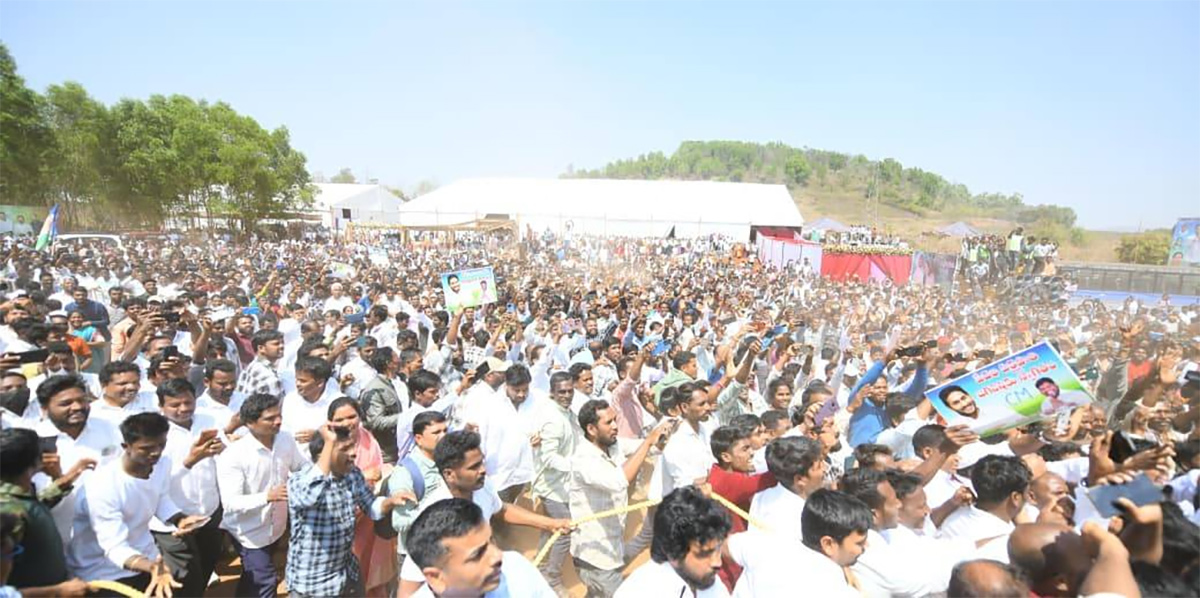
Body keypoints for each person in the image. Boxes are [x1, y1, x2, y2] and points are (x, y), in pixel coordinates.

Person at [397, 430, 571, 596]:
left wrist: (551, 524)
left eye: (481, 462)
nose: (483, 470)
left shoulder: (482, 486)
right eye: (473, 467)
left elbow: (501, 509)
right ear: (449, 474)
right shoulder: (433, 520)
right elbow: (410, 584)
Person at [66, 413, 207, 596]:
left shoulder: (162, 464)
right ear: (126, 447)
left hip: (147, 561)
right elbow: (114, 547)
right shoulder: (103, 487)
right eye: (146, 448)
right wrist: (151, 567)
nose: (156, 452)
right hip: (102, 571)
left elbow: (161, 498)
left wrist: (179, 519)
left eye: (161, 445)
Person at [285, 422, 412, 598]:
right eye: (344, 448)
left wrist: (390, 502)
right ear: (325, 453)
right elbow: (309, 496)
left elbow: (371, 507)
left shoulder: (352, 474)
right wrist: (329, 442)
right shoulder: (299, 481)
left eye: (352, 446)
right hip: (313, 582)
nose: (353, 453)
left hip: (347, 574)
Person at [569, 400, 673, 597]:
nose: (616, 426)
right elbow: (619, 481)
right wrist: (649, 440)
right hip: (595, 556)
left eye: (615, 420)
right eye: (609, 422)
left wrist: (663, 436)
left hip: (612, 548)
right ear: (591, 429)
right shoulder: (583, 459)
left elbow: (648, 449)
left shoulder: (613, 444)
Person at [216, 393, 307, 598]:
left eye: (279, 416)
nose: (278, 421)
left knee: (254, 578)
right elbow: (230, 503)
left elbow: (301, 466)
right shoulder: (233, 455)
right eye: (270, 418)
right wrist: (267, 496)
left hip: (276, 526)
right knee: (265, 579)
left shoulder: (285, 440)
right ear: (250, 423)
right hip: (249, 533)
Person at [153, 378, 225, 597]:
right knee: (183, 576)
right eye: (175, 405)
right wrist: (190, 461)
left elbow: (224, 456)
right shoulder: (154, 434)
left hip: (210, 511)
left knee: (207, 564)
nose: (183, 409)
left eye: (188, 402)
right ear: (161, 407)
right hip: (173, 521)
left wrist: (223, 448)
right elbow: (154, 483)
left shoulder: (208, 419)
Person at [0, 428, 91, 596]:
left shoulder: (17, 498)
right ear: (36, 462)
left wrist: (64, 481)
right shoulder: (9, 511)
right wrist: (57, 591)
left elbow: (34, 507)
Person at [405, 498, 555, 597]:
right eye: (478, 554)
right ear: (436, 578)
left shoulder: (516, 569)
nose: (497, 556)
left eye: (491, 541)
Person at [33, 374, 120, 542]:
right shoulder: (34, 441)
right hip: (57, 536)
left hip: (106, 533)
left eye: (82, 400)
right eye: (66, 403)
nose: (77, 407)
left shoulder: (110, 429)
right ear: (45, 408)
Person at [327, 396, 395, 597]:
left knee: (369, 564)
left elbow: (377, 467)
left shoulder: (367, 437)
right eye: (340, 420)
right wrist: (363, 475)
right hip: (340, 519)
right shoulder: (325, 446)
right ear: (330, 422)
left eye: (351, 416)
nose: (347, 423)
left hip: (368, 513)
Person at [614, 486, 731, 598]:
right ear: (674, 552)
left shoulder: (709, 583)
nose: (717, 562)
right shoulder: (639, 592)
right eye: (705, 553)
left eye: (718, 549)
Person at [531, 371, 579, 594]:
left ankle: (540, 566)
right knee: (564, 532)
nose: (567, 395)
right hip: (553, 487)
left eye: (570, 391)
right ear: (552, 393)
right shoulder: (553, 418)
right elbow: (548, 457)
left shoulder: (567, 413)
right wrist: (575, 467)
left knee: (550, 530)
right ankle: (552, 577)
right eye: (562, 392)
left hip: (562, 485)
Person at [939, 454, 1032, 563]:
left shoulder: (950, 516)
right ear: (1016, 497)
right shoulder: (1008, 544)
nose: (1029, 497)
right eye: (1027, 493)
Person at [748, 436, 826, 545]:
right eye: (819, 466)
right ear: (800, 479)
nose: (824, 469)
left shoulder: (762, 496)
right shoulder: (798, 520)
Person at [281, 357, 340, 458]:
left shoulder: (338, 402)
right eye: (296, 379)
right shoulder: (290, 399)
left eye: (303, 381)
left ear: (320, 383)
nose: (297, 384)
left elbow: (348, 434)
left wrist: (319, 436)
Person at [362, 348, 403, 464]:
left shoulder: (397, 382)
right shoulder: (375, 389)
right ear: (389, 364)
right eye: (396, 358)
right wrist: (405, 417)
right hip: (387, 455)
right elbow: (376, 422)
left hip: (401, 447)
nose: (399, 360)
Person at [90, 361, 156, 428]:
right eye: (123, 384)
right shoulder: (92, 413)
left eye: (135, 382)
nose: (131, 387)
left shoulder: (154, 400)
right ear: (104, 385)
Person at [234, 329, 285, 400]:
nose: (282, 346)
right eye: (276, 344)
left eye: (282, 343)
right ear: (261, 348)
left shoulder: (252, 366)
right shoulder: (268, 376)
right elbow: (277, 406)